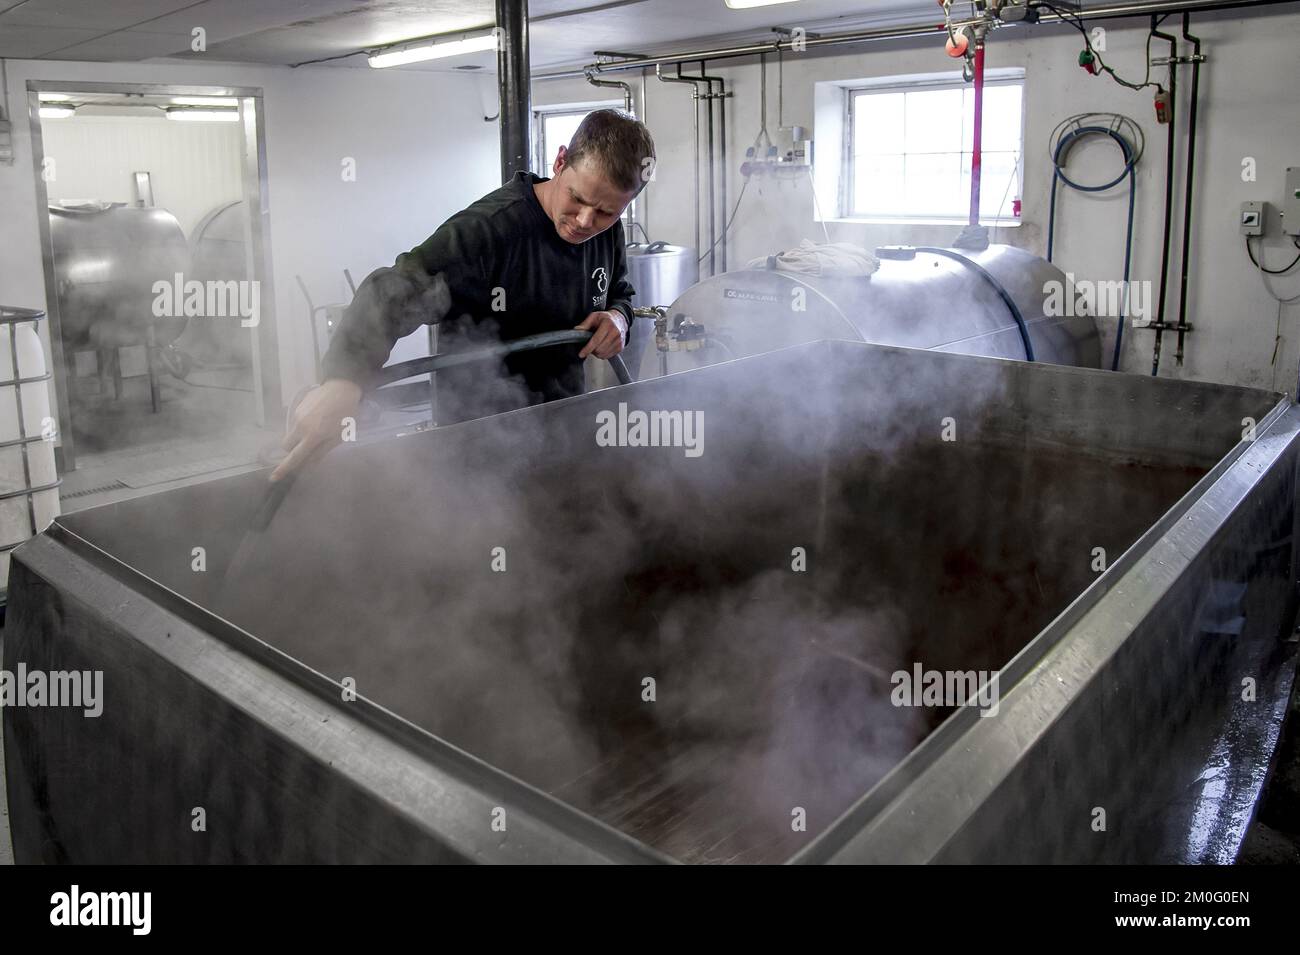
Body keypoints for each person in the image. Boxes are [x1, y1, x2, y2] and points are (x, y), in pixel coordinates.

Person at [272, 109, 656, 481]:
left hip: (563, 428)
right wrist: (343, 380)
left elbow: (619, 291)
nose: (586, 222)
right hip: (478, 446)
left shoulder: (608, 231)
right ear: (559, 162)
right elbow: (391, 290)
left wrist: (619, 317)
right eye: (578, 199)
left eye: (606, 212)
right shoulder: (489, 231)